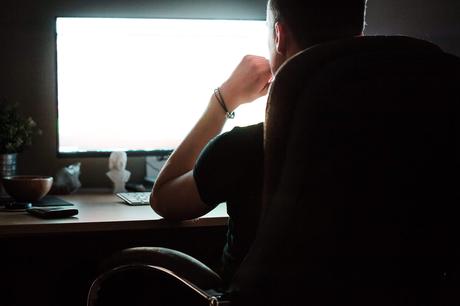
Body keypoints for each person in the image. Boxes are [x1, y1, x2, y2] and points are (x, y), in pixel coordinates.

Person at [150, 0, 367, 282]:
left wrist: (222, 100)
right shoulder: (401, 141)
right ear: (360, 40)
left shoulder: (250, 146)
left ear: (279, 36)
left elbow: (165, 200)